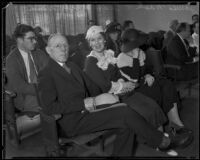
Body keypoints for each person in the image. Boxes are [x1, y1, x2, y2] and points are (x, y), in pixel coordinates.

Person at [38, 33, 192, 157]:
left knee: (127, 120)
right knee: (124, 112)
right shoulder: (46, 74)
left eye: (65, 45)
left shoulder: (71, 65)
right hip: (71, 121)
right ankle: (163, 141)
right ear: (48, 50)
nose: (63, 49)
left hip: (87, 112)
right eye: (58, 46)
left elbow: (92, 86)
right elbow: (48, 107)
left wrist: (107, 95)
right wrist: (88, 102)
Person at [84, 26, 168, 132]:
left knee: (152, 105)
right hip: (107, 98)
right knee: (146, 110)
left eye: (99, 38)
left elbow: (118, 74)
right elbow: (104, 86)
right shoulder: (90, 62)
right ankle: (159, 141)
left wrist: (123, 81)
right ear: (89, 43)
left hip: (120, 92)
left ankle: (162, 138)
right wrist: (124, 85)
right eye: (93, 40)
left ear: (104, 39)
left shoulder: (108, 55)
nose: (97, 43)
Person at [116, 28, 194, 138]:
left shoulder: (140, 53)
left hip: (144, 81)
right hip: (133, 88)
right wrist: (135, 58)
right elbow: (134, 77)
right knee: (157, 90)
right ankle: (161, 130)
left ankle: (175, 122)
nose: (139, 47)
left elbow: (147, 69)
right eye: (136, 45)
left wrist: (148, 74)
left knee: (167, 85)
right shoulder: (121, 58)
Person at [5, 24, 48, 131]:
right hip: (25, 97)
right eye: (31, 39)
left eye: (35, 38)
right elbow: (19, 86)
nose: (35, 41)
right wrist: (43, 90)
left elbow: (50, 73)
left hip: (44, 90)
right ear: (20, 40)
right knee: (52, 105)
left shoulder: (39, 53)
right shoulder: (12, 59)